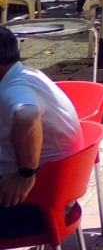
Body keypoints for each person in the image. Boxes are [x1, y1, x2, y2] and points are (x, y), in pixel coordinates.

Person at [0, 24, 83, 237]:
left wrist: (26, 174)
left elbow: (27, 116)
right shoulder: (25, 74)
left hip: (38, 205)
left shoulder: (16, 88)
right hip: (55, 194)